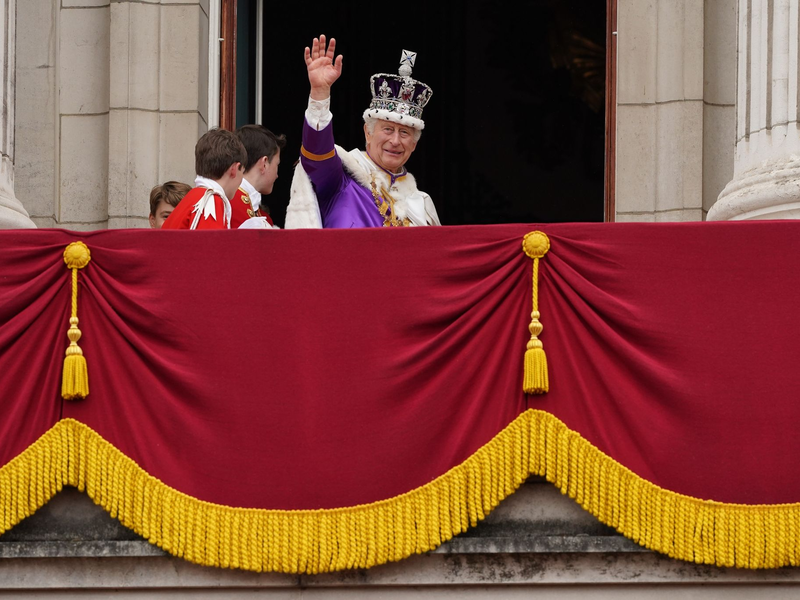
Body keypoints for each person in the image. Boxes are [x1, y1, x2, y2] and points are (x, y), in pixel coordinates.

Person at [285, 35, 440, 229]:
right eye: (388, 129)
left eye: (404, 133)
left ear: (414, 144)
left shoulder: (423, 206)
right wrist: (319, 94)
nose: (395, 141)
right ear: (368, 132)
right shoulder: (342, 179)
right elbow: (316, 155)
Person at [161, 128, 246, 230]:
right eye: (242, 172)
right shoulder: (211, 200)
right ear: (234, 170)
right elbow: (210, 244)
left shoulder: (193, 197)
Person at [232, 125, 287, 229]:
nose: (277, 175)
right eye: (277, 165)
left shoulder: (264, 217)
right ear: (264, 163)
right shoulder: (224, 203)